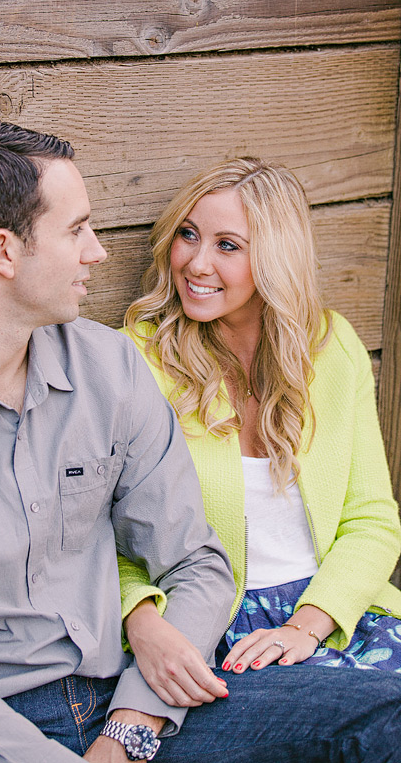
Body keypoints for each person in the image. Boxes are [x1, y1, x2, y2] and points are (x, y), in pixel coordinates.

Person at [0, 126, 401, 763]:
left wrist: (131, 727)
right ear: (3, 250)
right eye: (76, 230)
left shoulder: (108, 369)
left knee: (386, 716)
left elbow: (196, 561)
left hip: (125, 696)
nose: (98, 253)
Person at [119, 156, 401, 702]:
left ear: (275, 258)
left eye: (228, 245)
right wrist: (142, 618)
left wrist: (308, 626)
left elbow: (372, 520)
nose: (196, 263)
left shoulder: (330, 345)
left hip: (335, 612)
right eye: (188, 235)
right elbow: (98, 538)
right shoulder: (135, 360)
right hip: (210, 630)